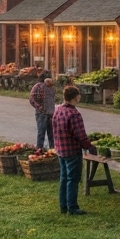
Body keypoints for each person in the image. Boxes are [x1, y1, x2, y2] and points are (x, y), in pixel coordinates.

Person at [51, 86, 96, 215]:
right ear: (76, 97)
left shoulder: (58, 110)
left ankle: (63, 206)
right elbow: (80, 134)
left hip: (60, 149)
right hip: (72, 150)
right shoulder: (74, 114)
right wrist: (89, 146)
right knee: (73, 179)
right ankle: (72, 207)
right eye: (79, 95)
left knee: (64, 178)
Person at [29, 72, 57, 149]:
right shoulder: (38, 86)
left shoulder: (51, 87)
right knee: (41, 133)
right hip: (41, 114)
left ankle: (52, 150)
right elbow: (32, 98)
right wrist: (39, 107)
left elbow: (53, 99)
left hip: (51, 113)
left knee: (52, 134)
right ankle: (39, 149)